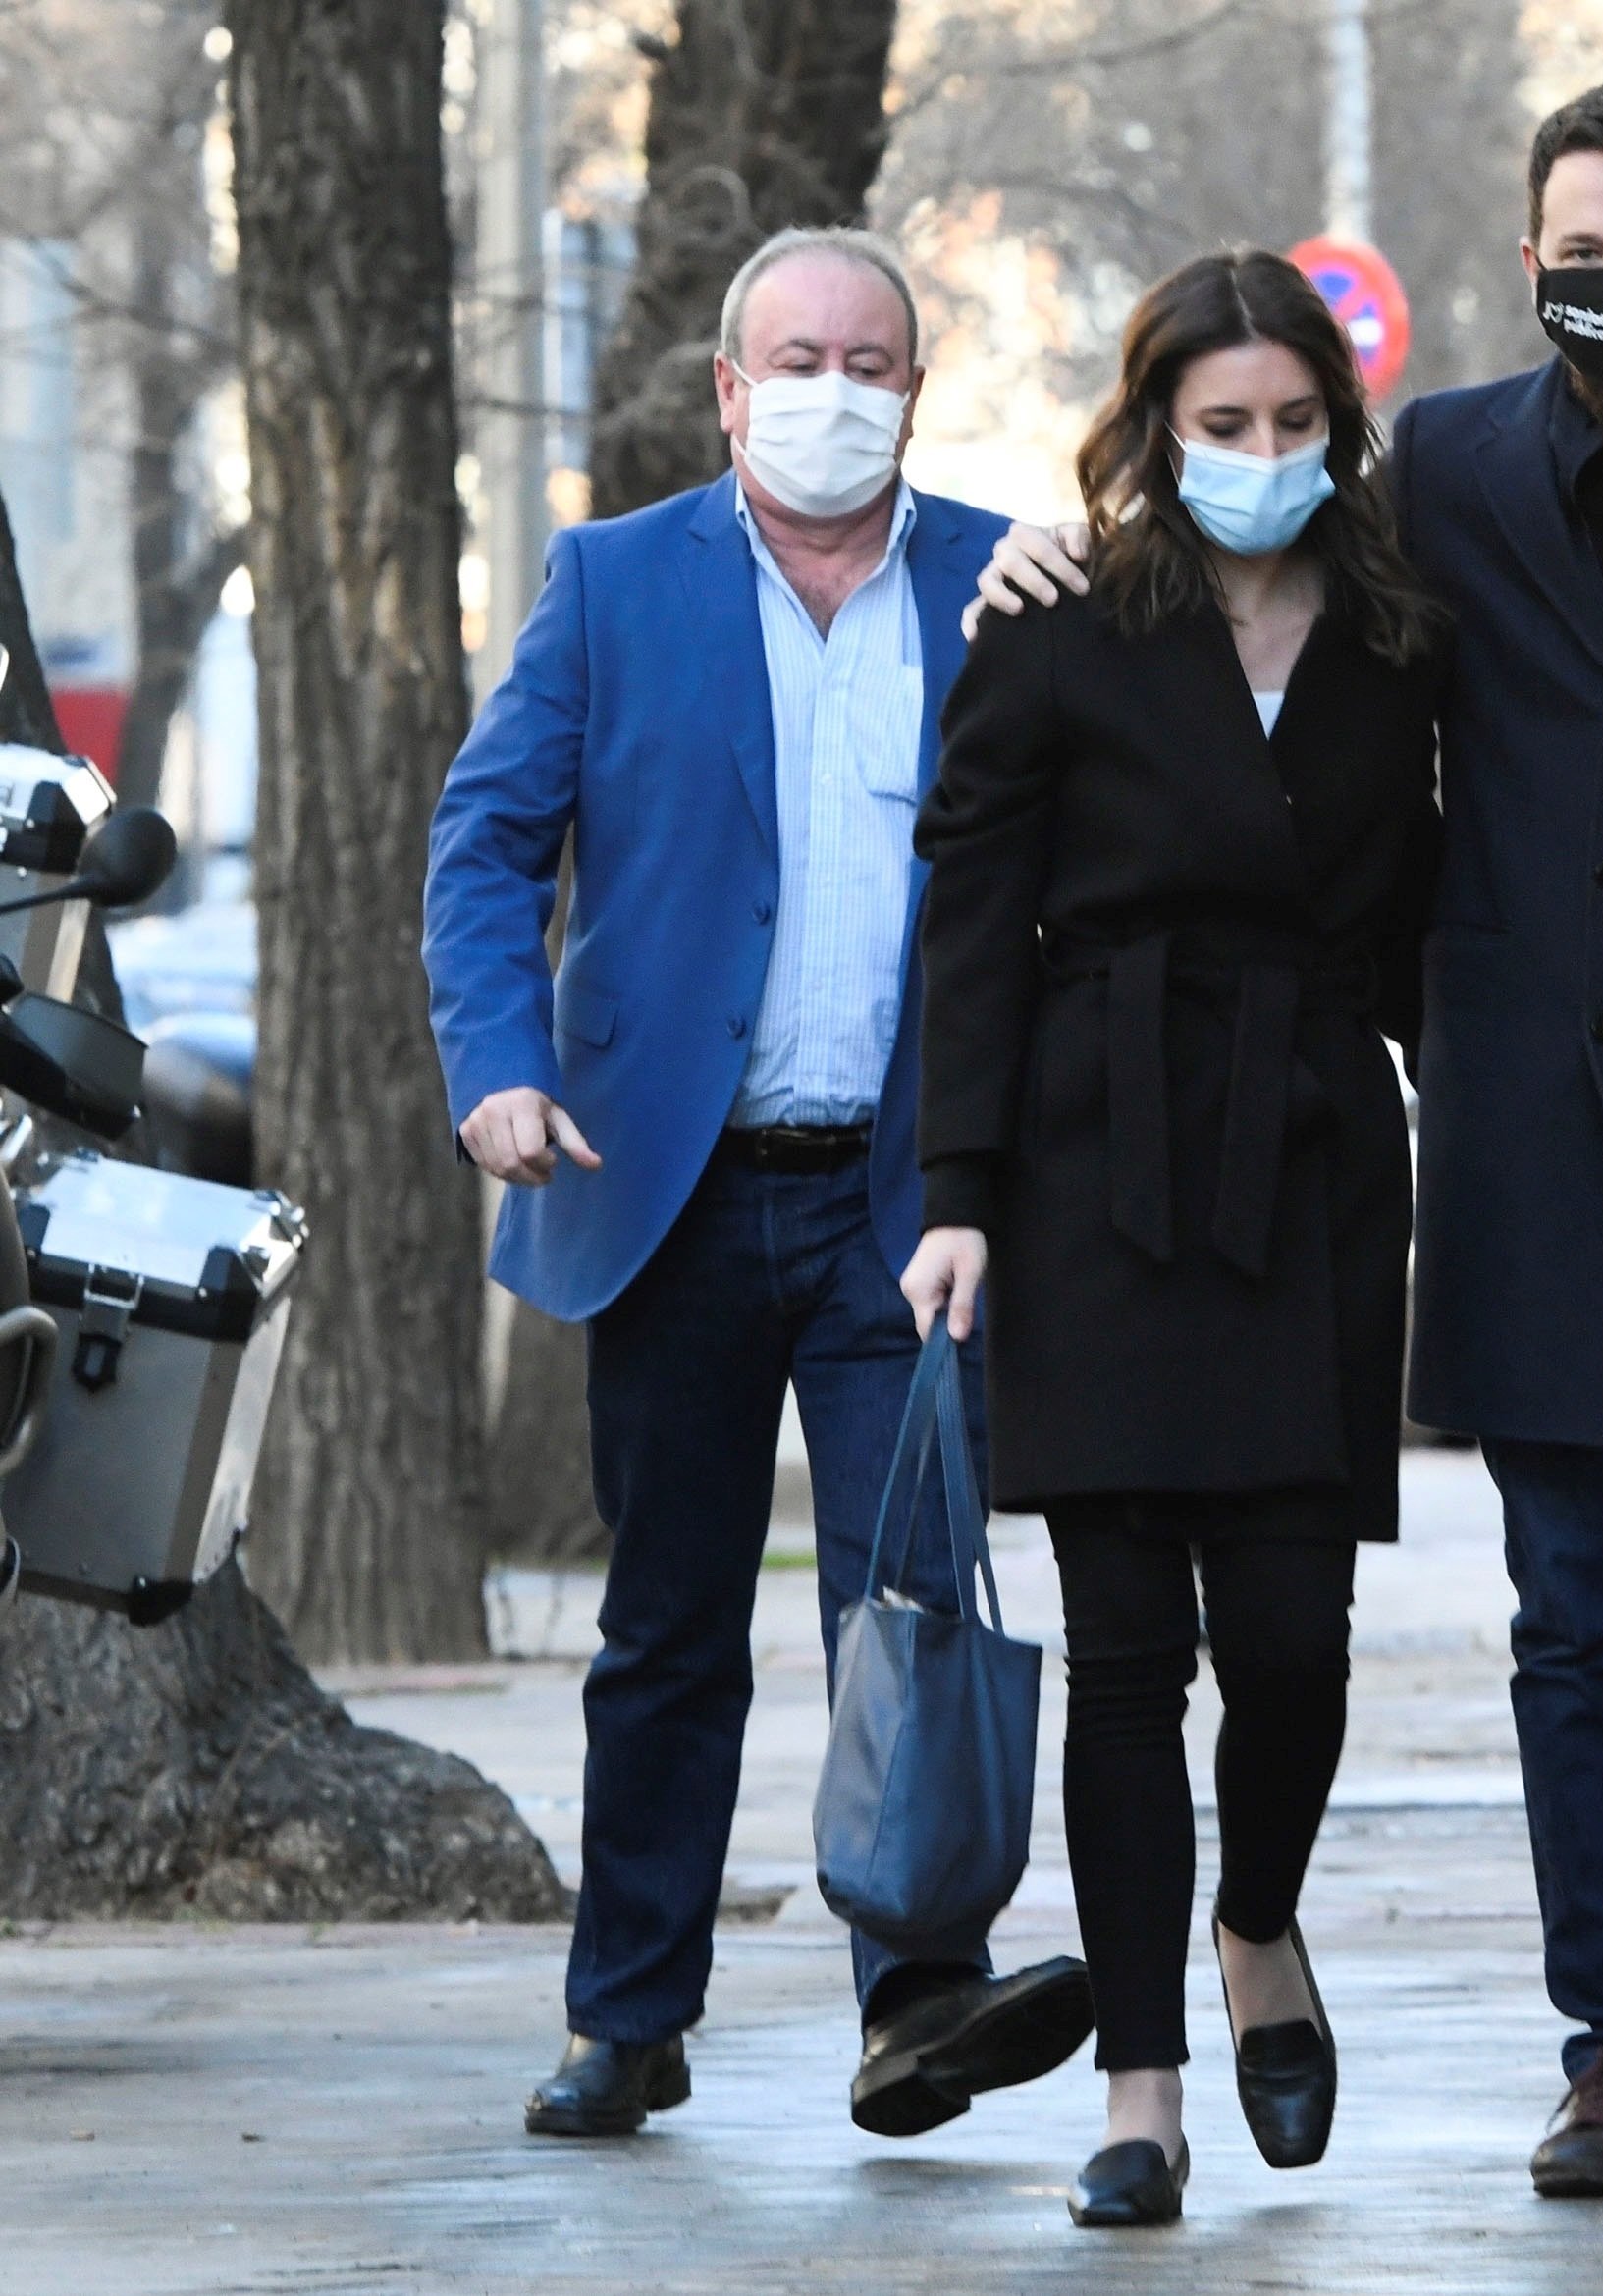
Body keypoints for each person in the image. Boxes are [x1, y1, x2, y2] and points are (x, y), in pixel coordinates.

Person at [973, 82, 1603, 2199]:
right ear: (1529, 263)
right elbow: (1252, 604)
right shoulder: (1443, 469)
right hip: (1523, 1119)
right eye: (1580, 255)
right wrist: (1044, 546)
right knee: (1571, 1612)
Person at [423, 228, 1095, 2141]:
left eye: (868, 363)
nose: (831, 393)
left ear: (915, 391)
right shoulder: (613, 582)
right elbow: (487, 845)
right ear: (730, 391)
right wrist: (498, 1070)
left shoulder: (1004, 587)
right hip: (671, 1193)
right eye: (795, 361)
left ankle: (921, 1995)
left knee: (913, 1611)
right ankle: (628, 2013)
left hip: (909, 1201)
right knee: (666, 1628)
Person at [900, 249, 1442, 2233]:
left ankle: (1258, 1921)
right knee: (1125, 1661)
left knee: (1292, 1643)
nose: (1259, 453)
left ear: (1339, 427)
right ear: (1154, 430)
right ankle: (1140, 2094)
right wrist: (958, 1195)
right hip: (1095, 1162)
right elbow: (970, 908)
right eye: (1222, 424)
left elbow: (1439, 909)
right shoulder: (1059, 617)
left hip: (1310, 1153)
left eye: (1294, 422)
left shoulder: (1398, 631)